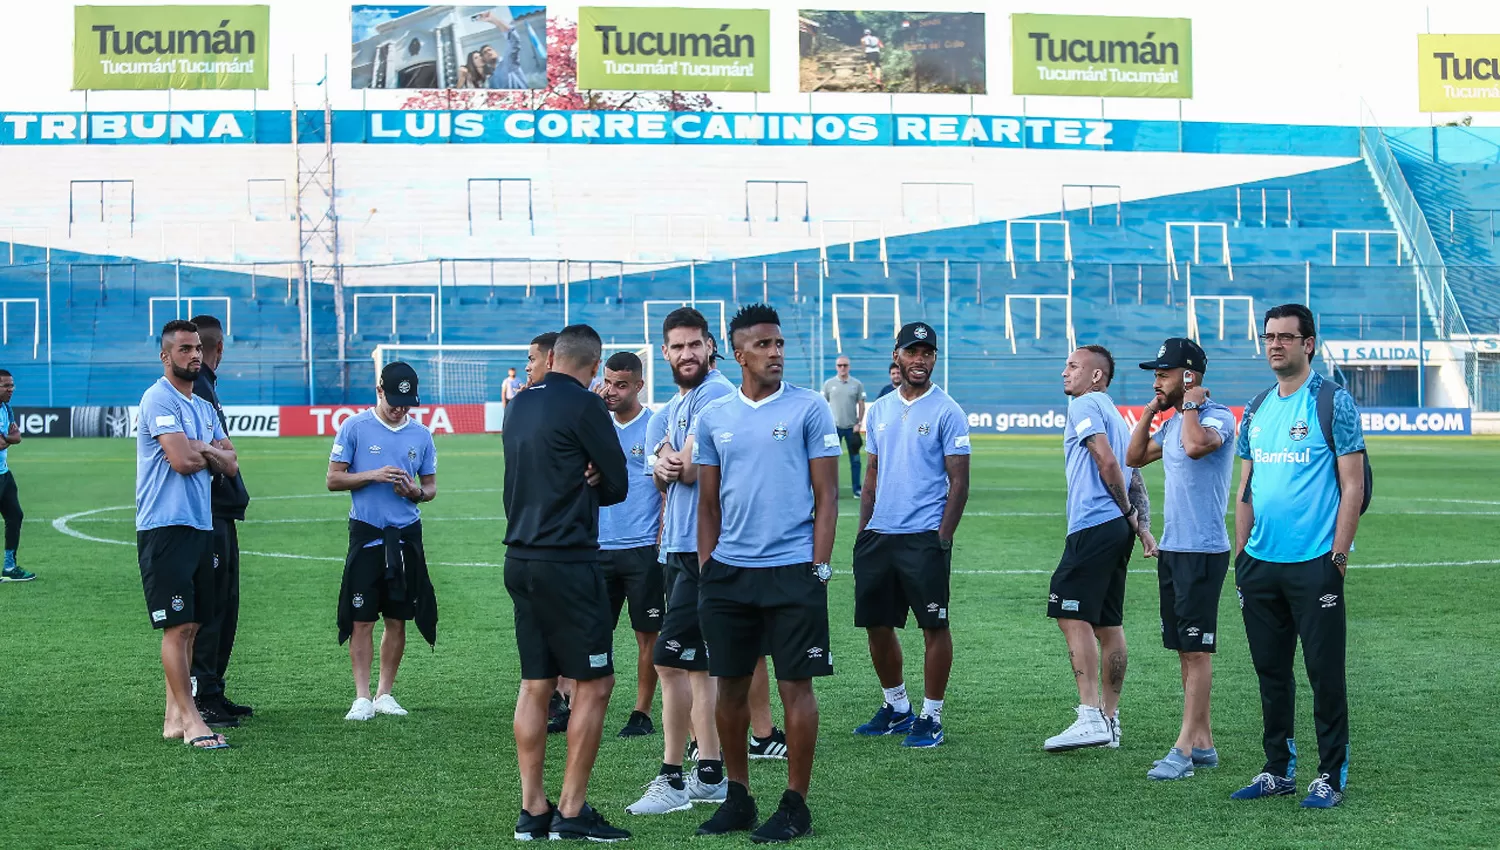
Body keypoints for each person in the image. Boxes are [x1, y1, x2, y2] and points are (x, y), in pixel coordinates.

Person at [693, 303, 840, 842]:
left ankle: (795, 804)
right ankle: (739, 796)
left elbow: (827, 498)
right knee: (729, 689)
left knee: (795, 687)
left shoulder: (809, 408)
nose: (776, 352)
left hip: (793, 572)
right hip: (729, 575)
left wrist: (818, 568)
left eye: (779, 344)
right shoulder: (715, 418)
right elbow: (708, 505)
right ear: (738, 354)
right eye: (763, 345)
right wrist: (710, 568)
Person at [1230, 305, 1365, 809]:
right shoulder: (1258, 406)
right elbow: (1246, 487)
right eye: (1269, 337)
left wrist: (1339, 554)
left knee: (1324, 674)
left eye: (1286, 337)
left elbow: (1354, 485)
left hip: (1315, 564)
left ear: (1309, 344)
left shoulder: (1332, 402)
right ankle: (1277, 770)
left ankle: (1329, 774)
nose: (1275, 345)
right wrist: (1242, 555)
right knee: (1271, 673)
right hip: (1260, 565)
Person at [503, 323, 632, 842]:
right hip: (568, 561)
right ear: (595, 365)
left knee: (536, 683)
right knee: (596, 683)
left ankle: (532, 809)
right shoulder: (586, 406)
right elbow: (619, 482)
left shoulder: (518, 403)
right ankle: (571, 812)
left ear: (552, 356)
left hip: (520, 559)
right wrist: (598, 475)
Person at [629, 307, 734, 817]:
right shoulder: (675, 404)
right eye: (678, 346)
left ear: (710, 346)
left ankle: (675, 777)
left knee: (672, 660)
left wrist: (669, 459)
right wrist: (663, 459)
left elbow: (687, 470)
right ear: (665, 352)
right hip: (679, 546)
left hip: (702, 548)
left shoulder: (715, 394)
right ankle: (710, 772)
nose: (687, 354)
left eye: (696, 344)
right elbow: (659, 471)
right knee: (695, 665)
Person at [852, 322, 970, 749]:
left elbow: (960, 482)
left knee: (933, 626)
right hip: (878, 536)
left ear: (934, 359)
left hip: (924, 536)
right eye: (912, 351)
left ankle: (931, 715)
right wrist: (863, 530)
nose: (920, 359)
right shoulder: (880, 409)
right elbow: (872, 473)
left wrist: (942, 537)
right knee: (877, 625)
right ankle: (896, 707)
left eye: (927, 353)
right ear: (897, 356)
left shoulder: (947, 409)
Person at [1125, 338, 1236, 780]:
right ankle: (1203, 742)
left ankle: (1183, 751)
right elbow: (1134, 457)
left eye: (1164, 374)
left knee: (1197, 652)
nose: (1157, 380)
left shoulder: (1216, 418)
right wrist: (1154, 409)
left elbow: (1196, 447)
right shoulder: (1172, 424)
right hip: (1174, 549)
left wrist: (1189, 405)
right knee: (1184, 651)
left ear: (1189, 376)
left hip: (1203, 550)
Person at [1043, 344, 1157, 753]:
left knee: (1068, 613)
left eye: (1072, 365)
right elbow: (1135, 475)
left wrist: (1127, 513)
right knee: (1109, 625)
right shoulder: (1117, 415)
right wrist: (1141, 526)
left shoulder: (1085, 405)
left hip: (1094, 522)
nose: (1064, 372)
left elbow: (1107, 462)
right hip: (1116, 529)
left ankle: (1090, 715)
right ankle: (1110, 721)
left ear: (1096, 376)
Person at [135, 319, 238, 750]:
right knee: (177, 627)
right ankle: (193, 722)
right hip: (166, 527)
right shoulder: (158, 398)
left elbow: (231, 465)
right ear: (165, 356)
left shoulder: (200, 406)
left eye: (197, 348)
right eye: (184, 350)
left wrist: (206, 450)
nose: (194, 355)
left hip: (199, 524)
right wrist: (207, 450)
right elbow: (181, 460)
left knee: (193, 625)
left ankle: (172, 717)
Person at [327, 362, 439, 722]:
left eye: (406, 403)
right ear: (379, 391)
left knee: (398, 617)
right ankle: (361, 697)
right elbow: (333, 479)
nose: (400, 409)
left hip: (406, 536)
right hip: (367, 533)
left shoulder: (421, 435)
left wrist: (415, 491)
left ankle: (384, 693)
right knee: (361, 617)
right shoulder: (354, 427)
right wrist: (373, 475)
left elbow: (431, 488)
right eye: (394, 401)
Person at [186, 316, 254, 728]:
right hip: (208, 513)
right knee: (212, 607)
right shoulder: (200, 389)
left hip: (220, 513)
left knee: (225, 605)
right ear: (220, 347)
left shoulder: (206, 388)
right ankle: (203, 694)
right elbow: (215, 453)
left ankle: (214, 690)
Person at [595, 351, 664, 739]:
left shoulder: (654, 425)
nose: (612, 391)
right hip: (599, 547)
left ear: (639, 385)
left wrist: (660, 537)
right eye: (608, 382)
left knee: (646, 635)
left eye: (622, 385)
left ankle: (641, 711)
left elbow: (666, 487)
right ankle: (587, 704)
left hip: (642, 547)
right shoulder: (597, 425)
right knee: (595, 633)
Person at [0, 370, 34, 582]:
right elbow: (5, 441)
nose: (10, 389)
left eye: (12, 385)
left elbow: (16, 437)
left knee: (15, 516)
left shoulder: (6, 409)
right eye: (5, 386)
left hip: (3, 473)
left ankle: (9, 567)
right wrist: (9, 437)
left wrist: (9, 438)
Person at [822, 355, 866, 498]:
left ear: (849, 367)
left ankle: (856, 489)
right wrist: (825, 424)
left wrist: (859, 423)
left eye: (845, 365)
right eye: (840, 365)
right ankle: (830, 489)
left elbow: (861, 403)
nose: (842, 368)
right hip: (833, 429)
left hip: (851, 428)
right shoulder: (829, 384)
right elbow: (822, 405)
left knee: (855, 460)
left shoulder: (856, 384)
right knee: (830, 460)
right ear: (836, 367)